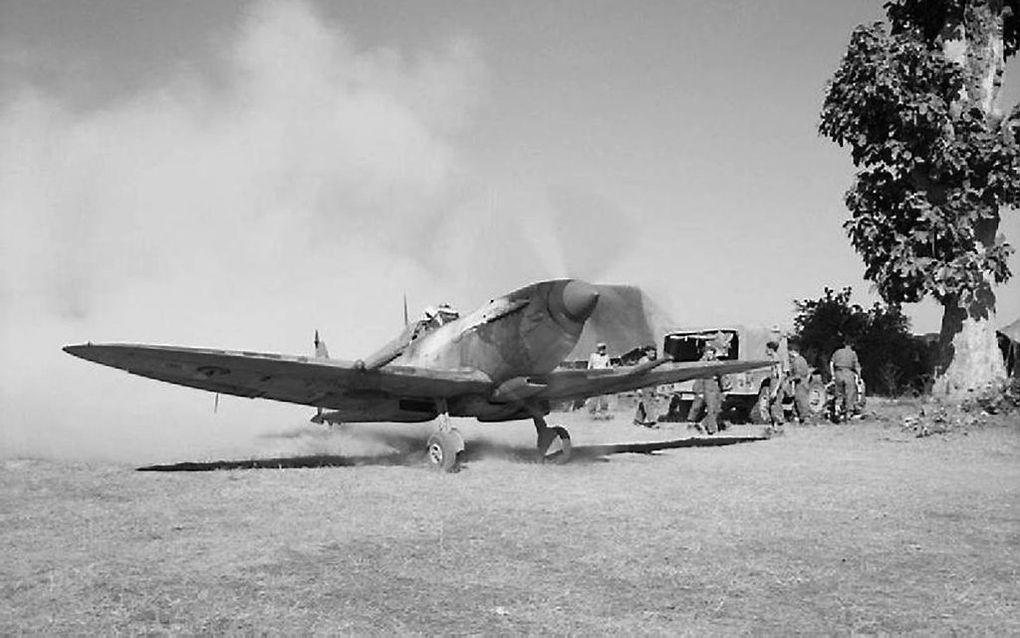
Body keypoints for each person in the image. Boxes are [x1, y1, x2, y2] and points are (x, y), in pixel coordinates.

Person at [687, 343, 724, 434]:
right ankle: (711, 430)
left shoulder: (717, 362)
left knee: (717, 409)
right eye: (708, 353)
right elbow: (698, 378)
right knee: (706, 408)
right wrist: (699, 391)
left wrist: (724, 389)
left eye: (712, 353)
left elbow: (722, 376)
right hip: (705, 388)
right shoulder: (701, 363)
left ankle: (702, 424)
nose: (710, 355)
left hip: (716, 388)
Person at [829, 338, 862, 423]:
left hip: (838, 373)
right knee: (850, 394)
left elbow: (831, 363)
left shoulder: (837, 352)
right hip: (848, 373)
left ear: (844, 343)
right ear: (852, 345)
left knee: (839, 394)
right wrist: (859, 377)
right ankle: (848, 414)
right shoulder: (853, 354)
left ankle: (837, 410)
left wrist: (833, 374)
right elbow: (857, 366)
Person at [633, 346, 659, 427]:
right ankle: (652, 422)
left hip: (651, 384)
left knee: (645, 402)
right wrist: (638, 388)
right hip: (644, 385)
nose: (653, 355)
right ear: (646, 352)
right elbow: (638, 375)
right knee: (648, 403)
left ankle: (638, 420)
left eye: (654, 353)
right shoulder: (643, 362)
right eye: (651, 353)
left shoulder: (653, 361)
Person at [787, 341, 813, 424]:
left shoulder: (797, 361)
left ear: (793, 351)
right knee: (802, 400)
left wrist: (790, 379)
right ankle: (802, 417)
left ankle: (805, 418)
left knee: (801, 400)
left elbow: (797, 375)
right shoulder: (802, 359)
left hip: (800, 383)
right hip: (805, 382)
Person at [587, 342, 612, 418]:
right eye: (601, 348)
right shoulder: (593, 356)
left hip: (604, 376)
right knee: (594, 395)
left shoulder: (607, 356)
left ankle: (604, 410)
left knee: (604, 395)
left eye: (603, 348)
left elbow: (609, 366)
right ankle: (592, 411)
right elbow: (589, 366)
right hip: (595, 376)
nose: (602, 350)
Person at [765, 341, 787, 427]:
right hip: (772, 383)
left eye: (767, 349)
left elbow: (780, 376)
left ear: (771, 349)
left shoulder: (777, 359)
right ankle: (773, 426)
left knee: (776, 405)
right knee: (770, 405)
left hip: (776, 384)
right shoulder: (773, 359)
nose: (766, 351)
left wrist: (775, 390)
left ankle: (778, 427)